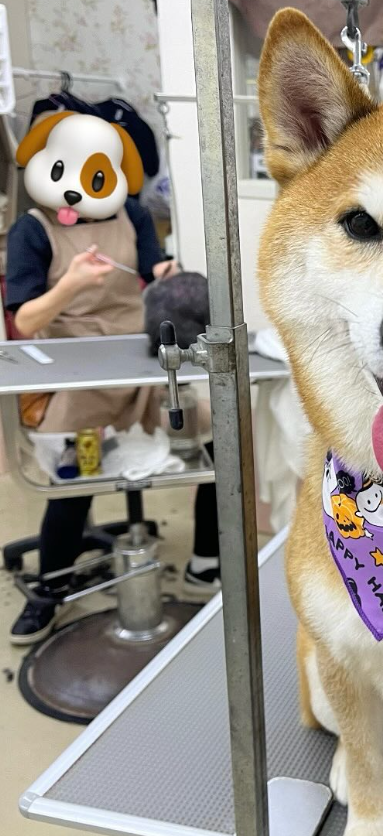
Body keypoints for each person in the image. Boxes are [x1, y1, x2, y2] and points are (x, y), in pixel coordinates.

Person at [5, 111, 220, 645]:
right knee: (73, 483)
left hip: (142, 358)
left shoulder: (131, 213)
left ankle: (207, 562)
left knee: (219, 445)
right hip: (76, 373)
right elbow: (24, 321)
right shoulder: (32, 230)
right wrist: (71, 285)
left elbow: (149, 270)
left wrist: (164, 273)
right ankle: (52, 589)